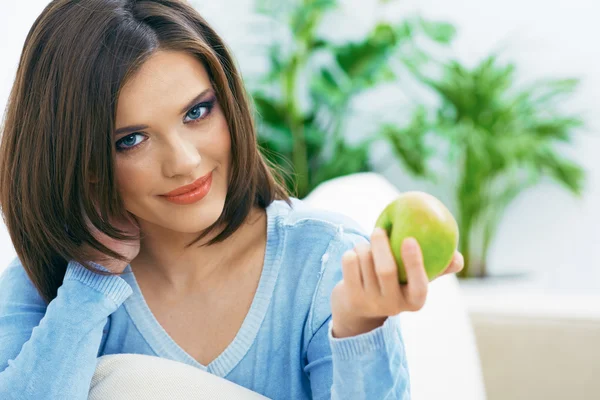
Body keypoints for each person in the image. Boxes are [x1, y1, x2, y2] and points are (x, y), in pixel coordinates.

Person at [0, 1, 464, 399]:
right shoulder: (48, 280)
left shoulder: (323, 260)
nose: (184, 161)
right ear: (77, 160)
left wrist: (359, 327)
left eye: (197, 112)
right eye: (132, 139)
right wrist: (90, 284)